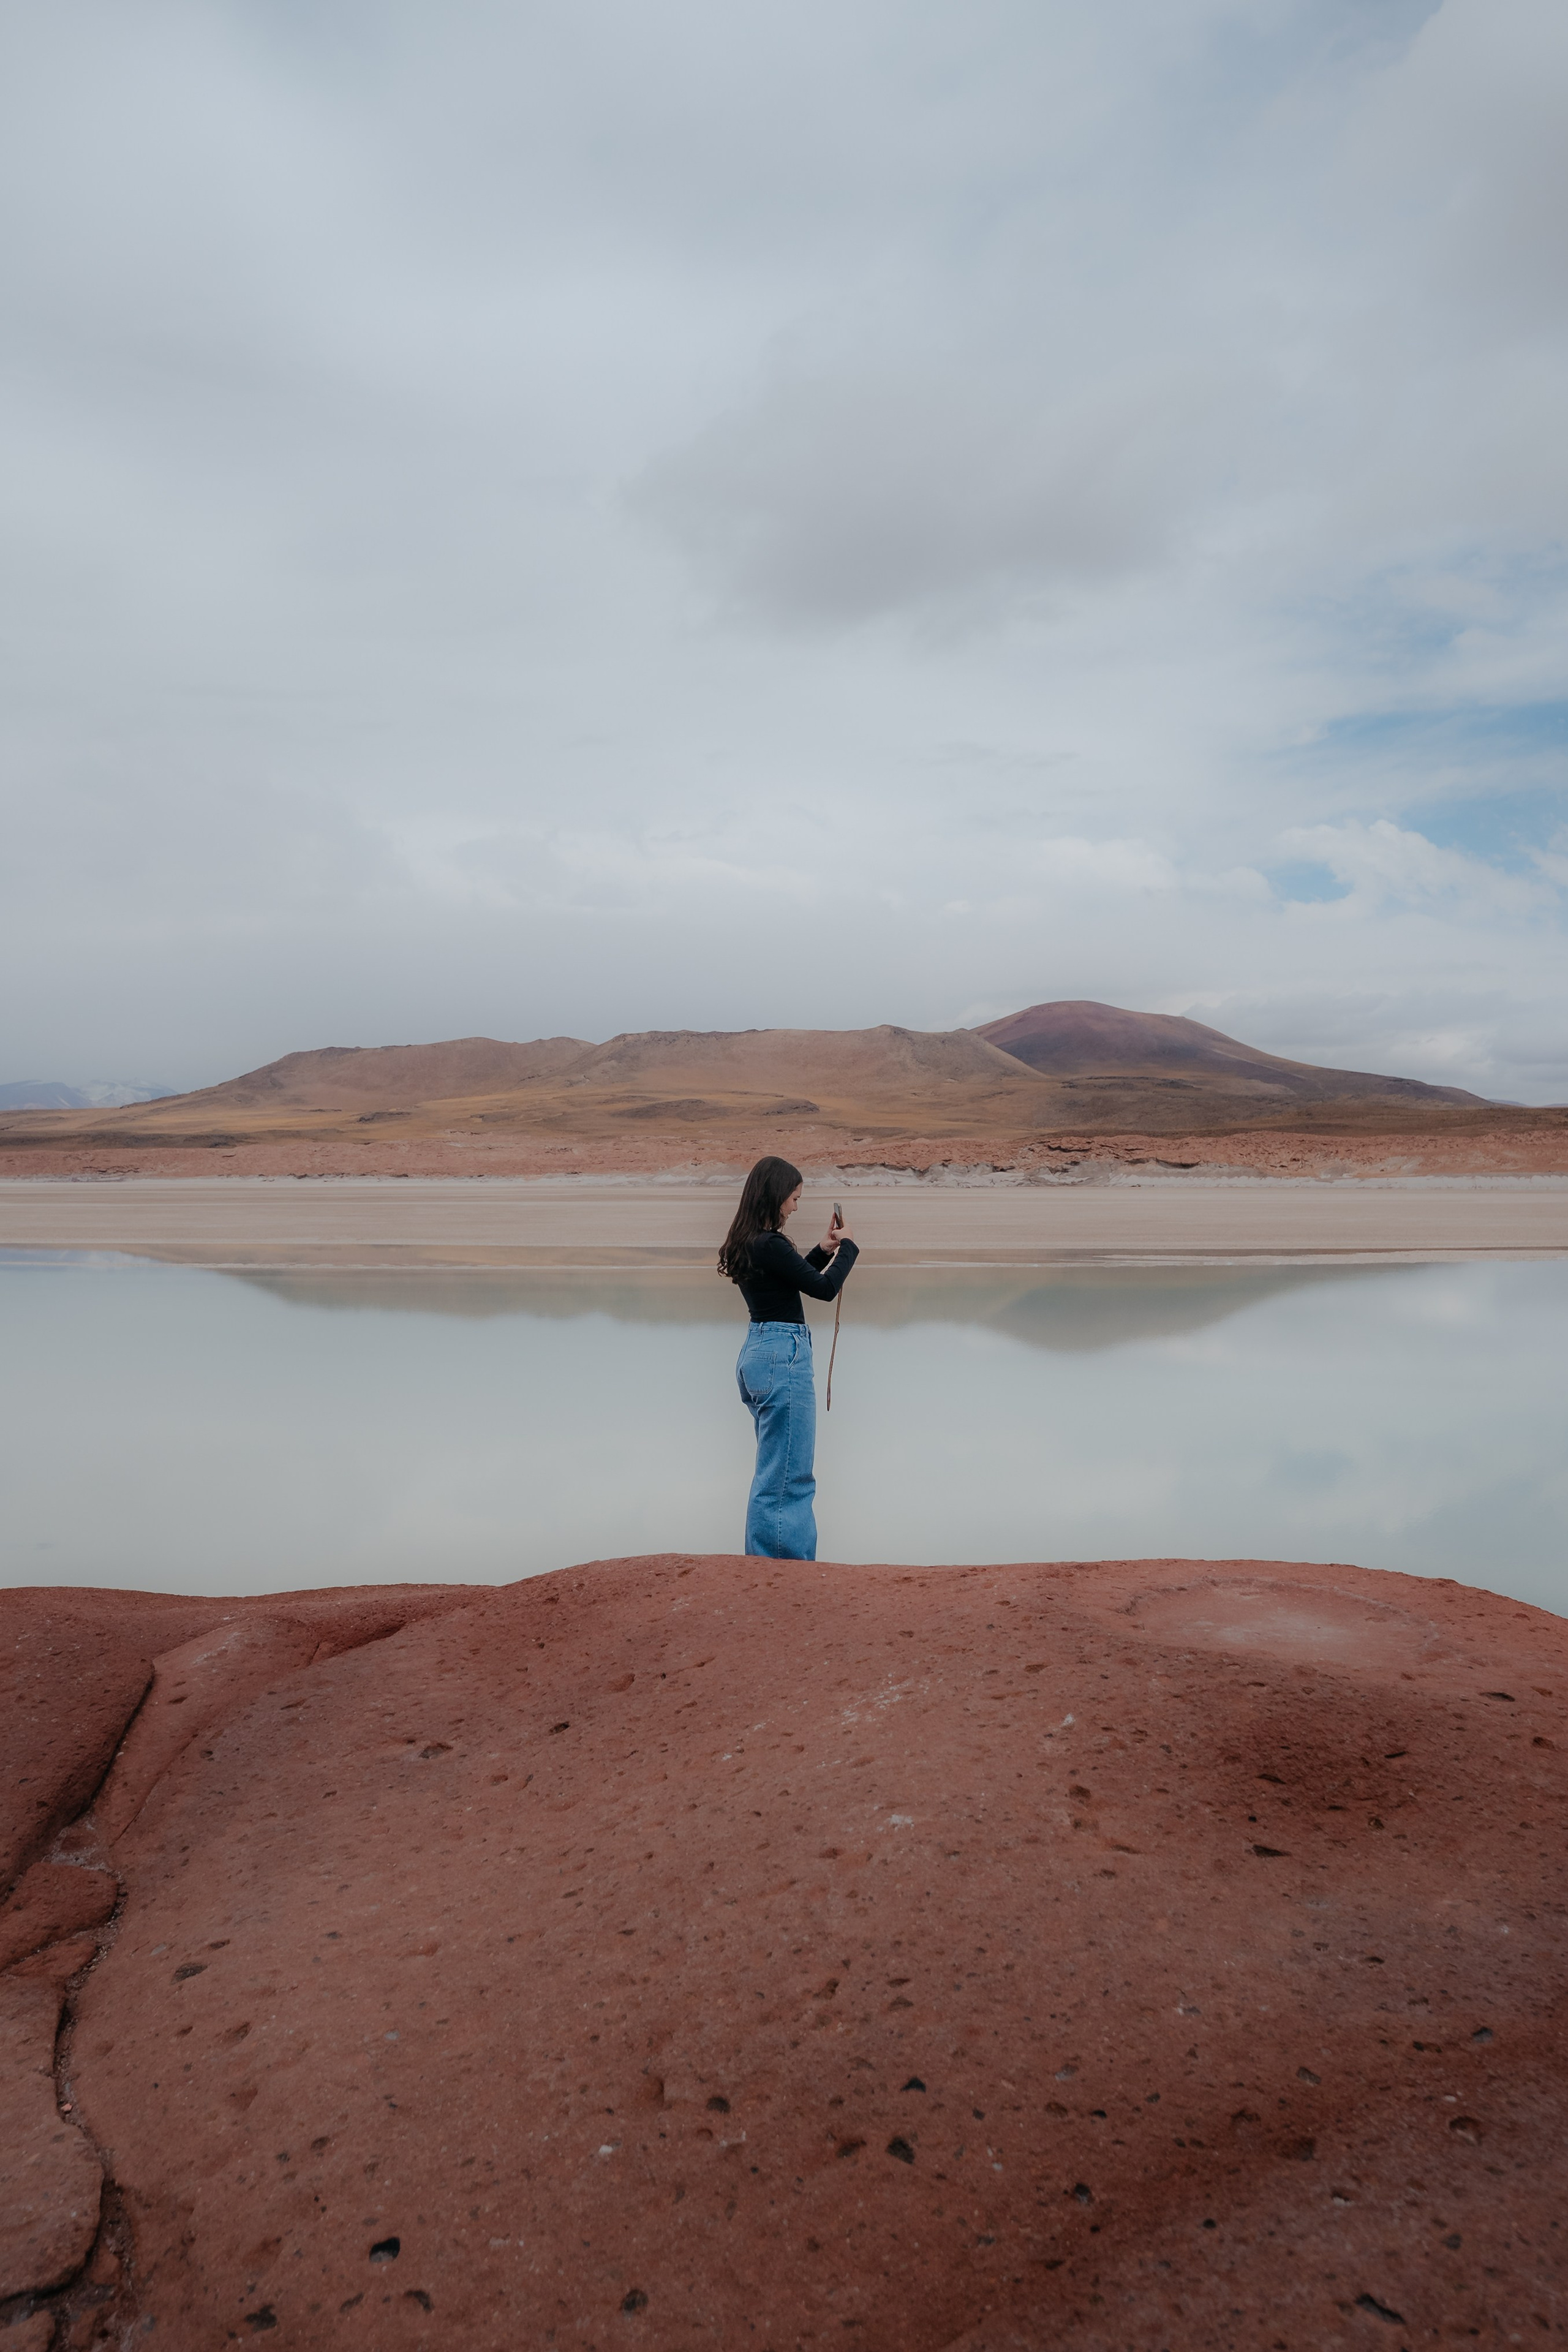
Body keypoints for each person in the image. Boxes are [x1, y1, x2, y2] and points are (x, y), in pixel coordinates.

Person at [717, 1155, 859, 1559]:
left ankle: (762, 1560)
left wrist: (823, 1248)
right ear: (777, 1196)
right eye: (795, 1198)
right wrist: (849, 1247)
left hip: (758, 1352)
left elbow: (793, 1279)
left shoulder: (750, 1242)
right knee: (790, 1474)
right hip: (784, 1355)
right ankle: (787, 1572)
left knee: (773, 1467)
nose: (796, 1206)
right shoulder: (771, 1244)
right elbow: (824, 1289)